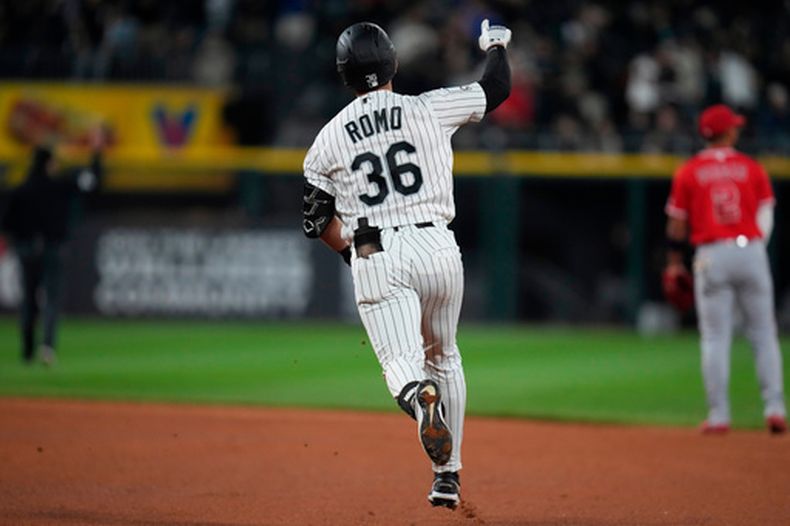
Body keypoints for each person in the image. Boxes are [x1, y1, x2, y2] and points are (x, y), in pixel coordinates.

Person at [301, 20, 511, 507]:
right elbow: (496, 87)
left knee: (403, 363)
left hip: (377, 250)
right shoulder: (429, 107)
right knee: (446, 356)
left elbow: (315, 219)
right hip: (439, 247)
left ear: (344, 76)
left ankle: (419, 399)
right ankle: (448, 476)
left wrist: (351, 255)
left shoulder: (329, 138)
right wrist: (496, 44)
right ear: (393, 62)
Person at [663, 104, 787, 435]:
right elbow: (767, 209)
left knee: (716, 337)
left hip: (711, 255)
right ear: (728, 132)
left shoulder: (688, 171)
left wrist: (674, 263)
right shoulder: (751, 167)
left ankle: (719, 415)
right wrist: (758, 242)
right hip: (751, 252)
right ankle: (774, 408)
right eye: (734, 126)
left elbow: (677, 224)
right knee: (763, 334)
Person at [1, 131, 105, 365]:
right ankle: (47, 346)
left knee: (29, 300)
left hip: (27, 250)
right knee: (52, 299)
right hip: (53, 249)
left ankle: (27, 350)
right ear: (49, 163)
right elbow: (92, 181)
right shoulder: (60, 186)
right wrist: (96, 153)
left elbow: (6, 223)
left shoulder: (21, 190)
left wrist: (21, 240)